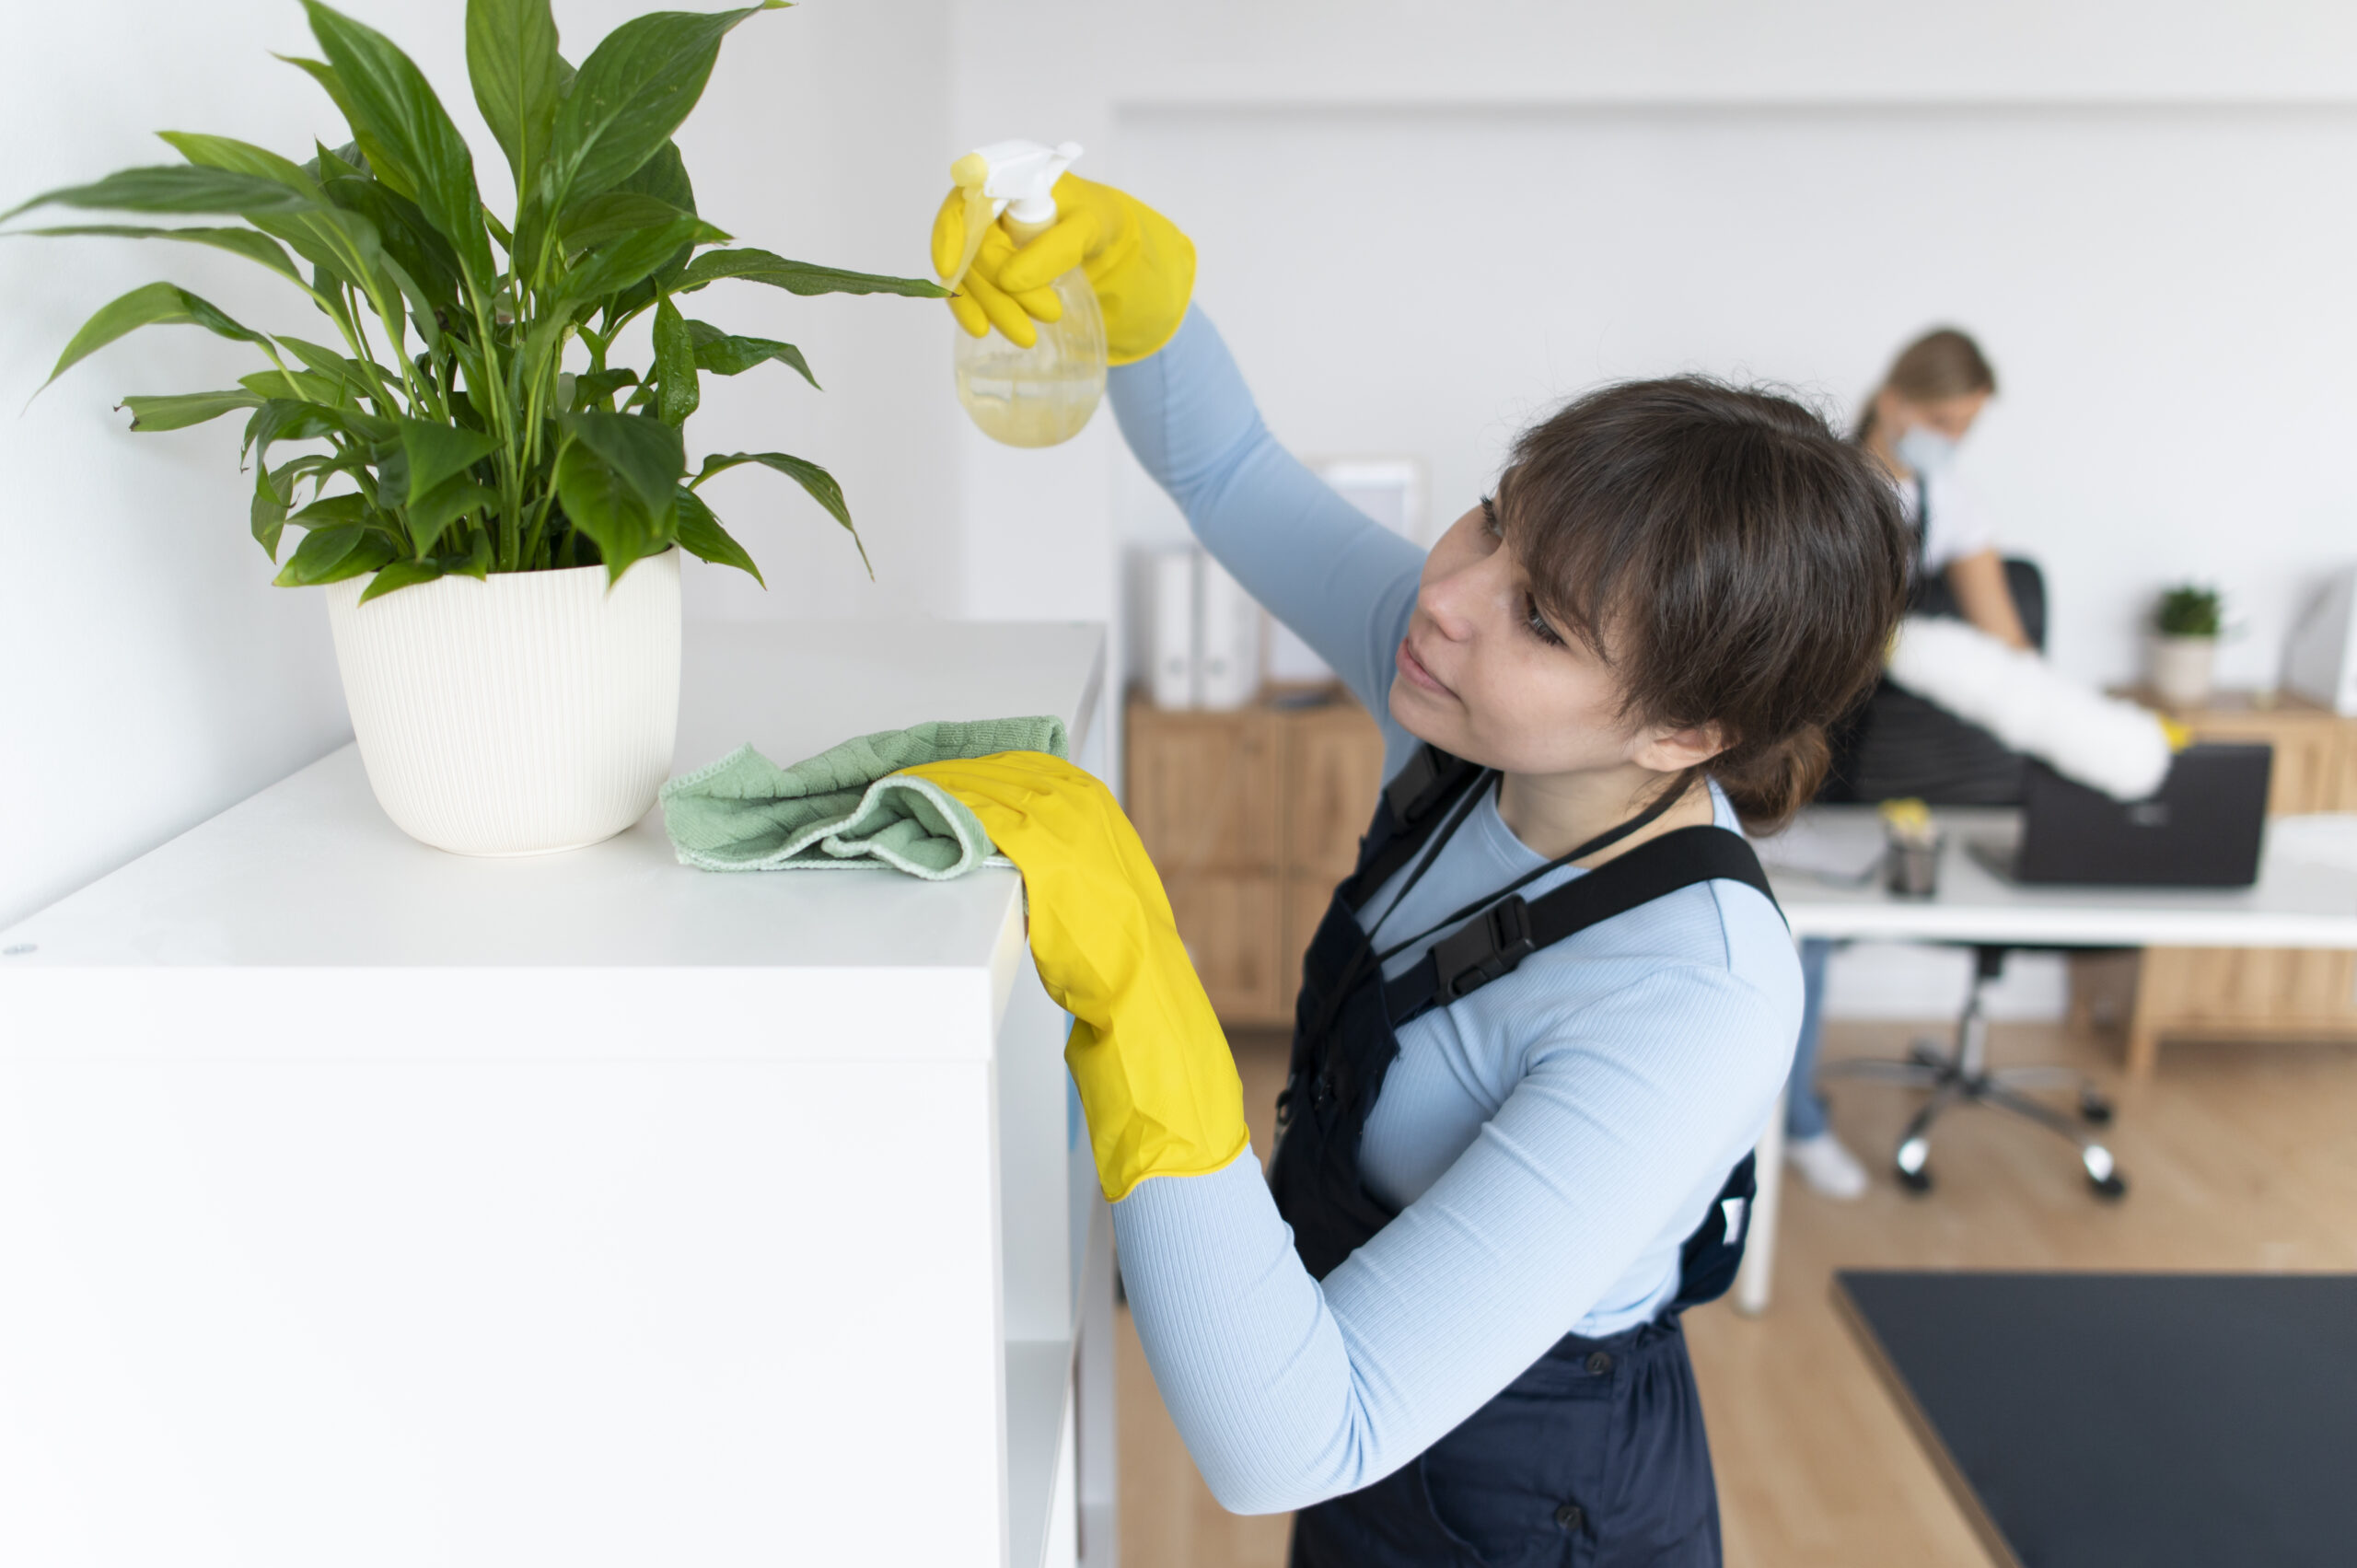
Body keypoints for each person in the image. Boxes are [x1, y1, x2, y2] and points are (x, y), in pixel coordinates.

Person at [930, 175, 1909, 1566]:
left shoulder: (1696, 994)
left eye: (1542, 619)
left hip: (1531, 1501)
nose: (1448, 596)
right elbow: (1231, 473)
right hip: (1360, 1416)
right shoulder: (1470, 712)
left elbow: (1280, 1439)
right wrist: (1134, 299)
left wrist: (1145, 997)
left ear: (1685, 732)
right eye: (1495, 518)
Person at [1784, 327, 2022, 1201]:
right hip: (1798, 732)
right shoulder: (1822, 483)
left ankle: (1791, 1113)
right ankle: (1794, 1122)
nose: (1951, 440)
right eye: (1944, 421)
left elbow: (2007, 641)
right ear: (1895, 405)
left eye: (1966, 427)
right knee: (1796, 936)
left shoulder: (1950, 503)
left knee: (1824, 931)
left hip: (1883, 756)